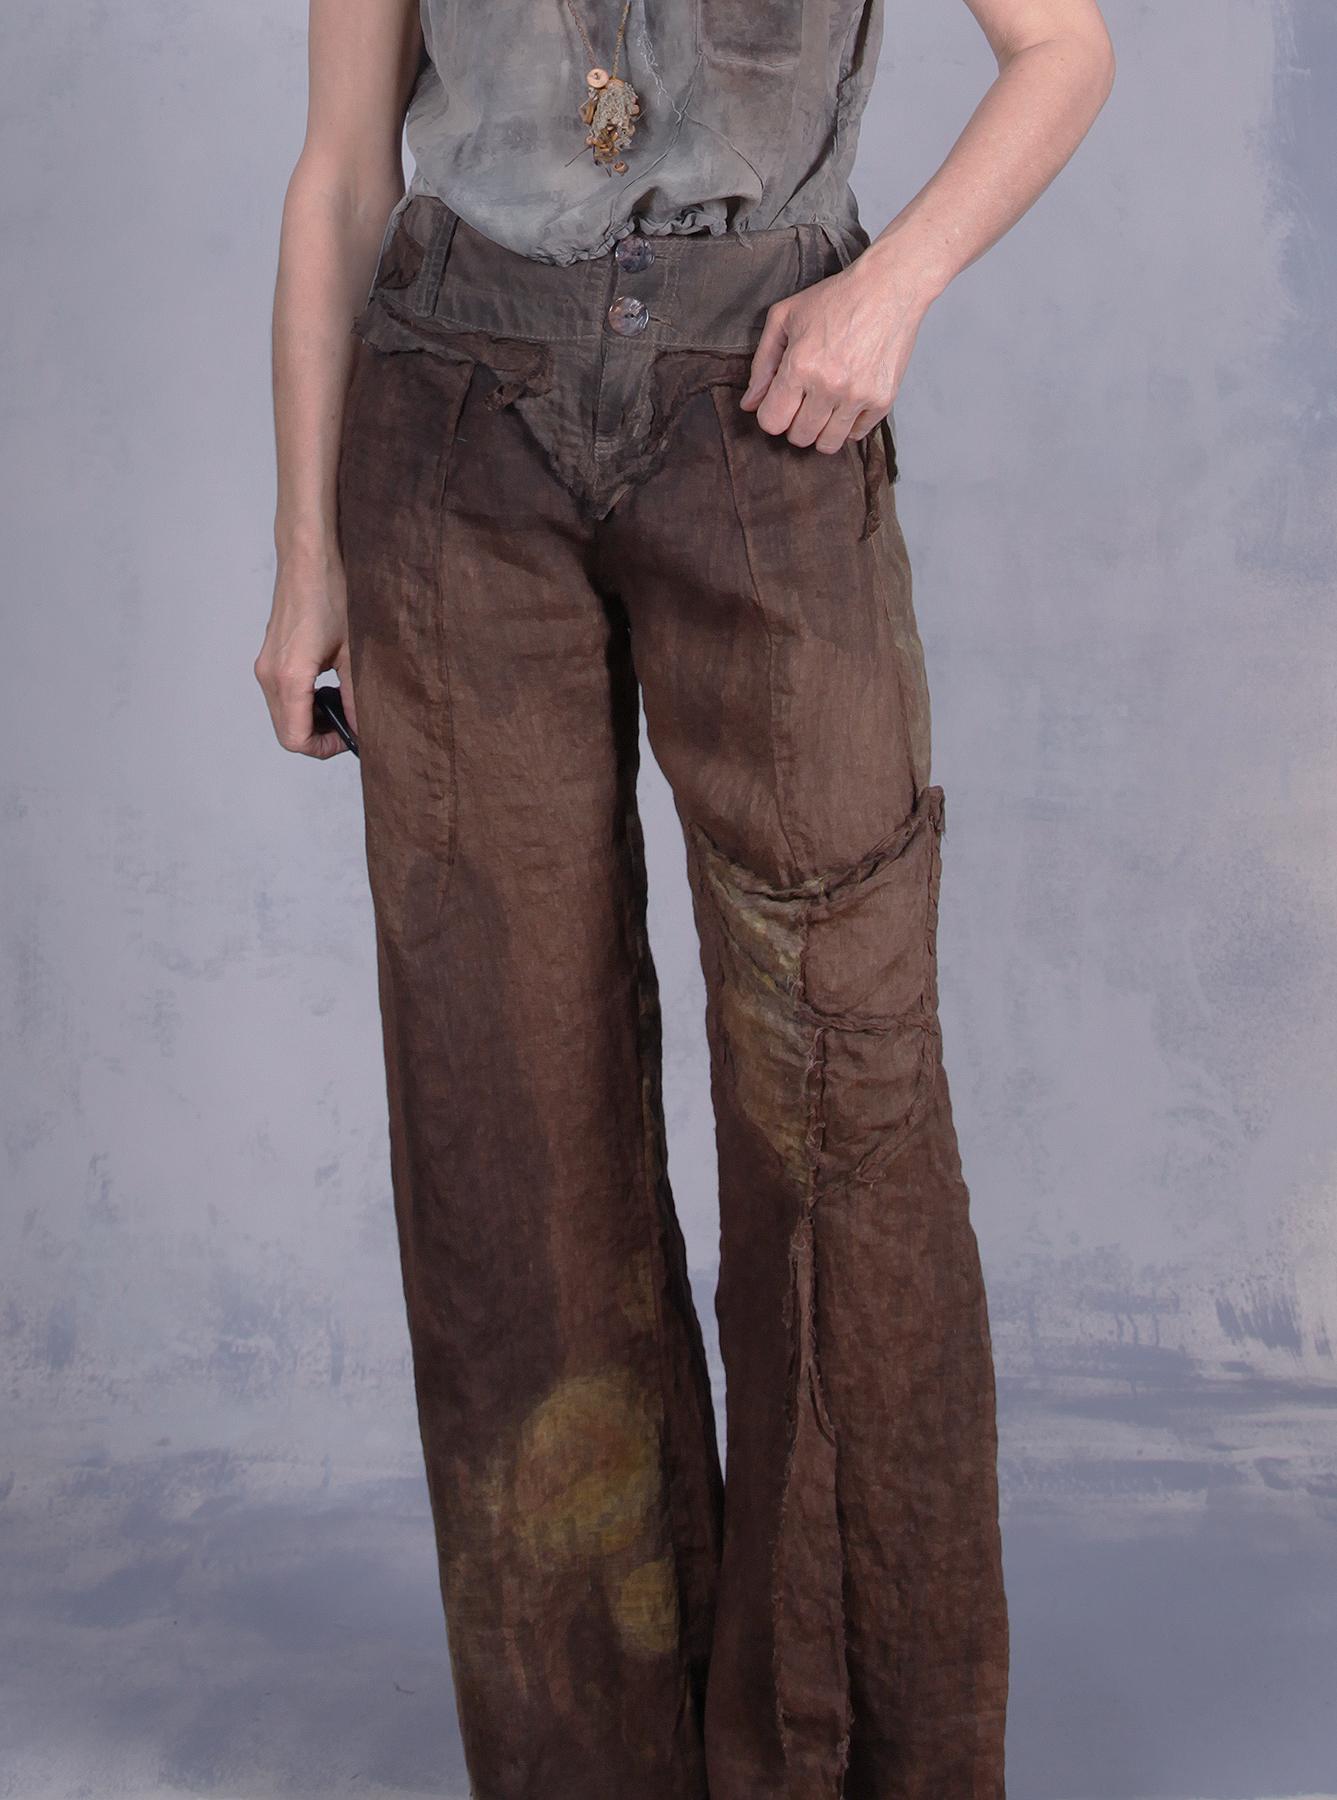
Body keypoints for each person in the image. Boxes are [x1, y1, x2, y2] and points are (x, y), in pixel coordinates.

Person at [256, 0, 1114, 1792]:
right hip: (451, 440)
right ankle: (589, 1765)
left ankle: (859, 1765)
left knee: (842, 1103)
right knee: (505, 1118)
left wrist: (889, 290)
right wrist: (302, 556)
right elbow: (341, 173)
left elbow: (1065, 51)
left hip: (767, 425)